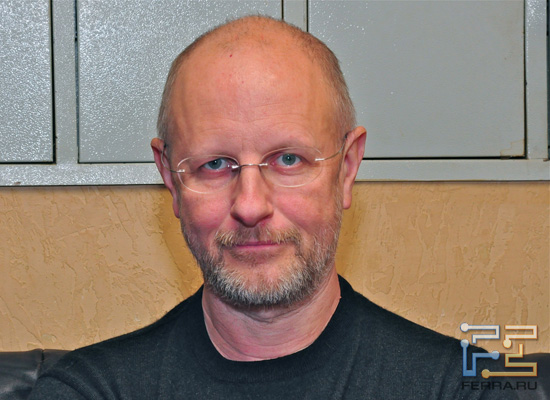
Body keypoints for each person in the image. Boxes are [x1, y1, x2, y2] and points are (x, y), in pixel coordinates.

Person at [30, 16, 517, 399]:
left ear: (347, 169)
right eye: (215, 164)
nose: (250, 206)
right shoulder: (89, 391)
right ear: (170, 180)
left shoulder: (461, 388)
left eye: (288, 160)